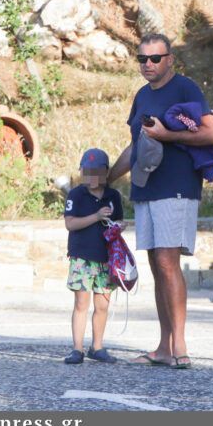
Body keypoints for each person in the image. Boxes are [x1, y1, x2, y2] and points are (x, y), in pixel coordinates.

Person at [109, 33, 213, 369]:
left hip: (177, 187)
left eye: (155, 58)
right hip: (145, 188)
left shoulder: (186, 88)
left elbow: (212, 133)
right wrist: (106, 179)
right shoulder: (142, 95)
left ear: (169, 59)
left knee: (168, 262)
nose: (148, 64)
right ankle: (163, 347)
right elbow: (135, 146)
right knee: (157, 266)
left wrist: (167, 135)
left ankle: (180, 346)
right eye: (142, 59)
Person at [63, 148, 124, 365]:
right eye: (87, 172)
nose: (91, 177)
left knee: (102, 305)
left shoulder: (113, 196)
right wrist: (96, 216)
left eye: (96, 172)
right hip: (82, 257)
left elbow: (117, 221)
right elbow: (70, 223)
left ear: (106, 172)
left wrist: (119, 226)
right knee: (81, 304)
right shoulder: (76, 195)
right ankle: (77, 349)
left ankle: (97, 347)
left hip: (106, 258)